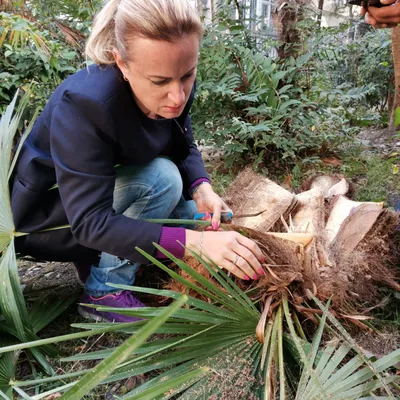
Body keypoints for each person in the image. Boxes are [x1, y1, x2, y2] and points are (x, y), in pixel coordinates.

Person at [10, 0, 265, 322]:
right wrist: (196, 244)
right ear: (122, 64)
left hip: (107, 194)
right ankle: (104, 293)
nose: (178, 96)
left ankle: (100, 258)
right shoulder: (85, 104)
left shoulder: (174, 76)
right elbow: (90, 221)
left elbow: (182, 144)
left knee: (191, 213)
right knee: (162, 180)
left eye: (188, 75)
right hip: (52, 219)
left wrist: (202, 187)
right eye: (160, 82)